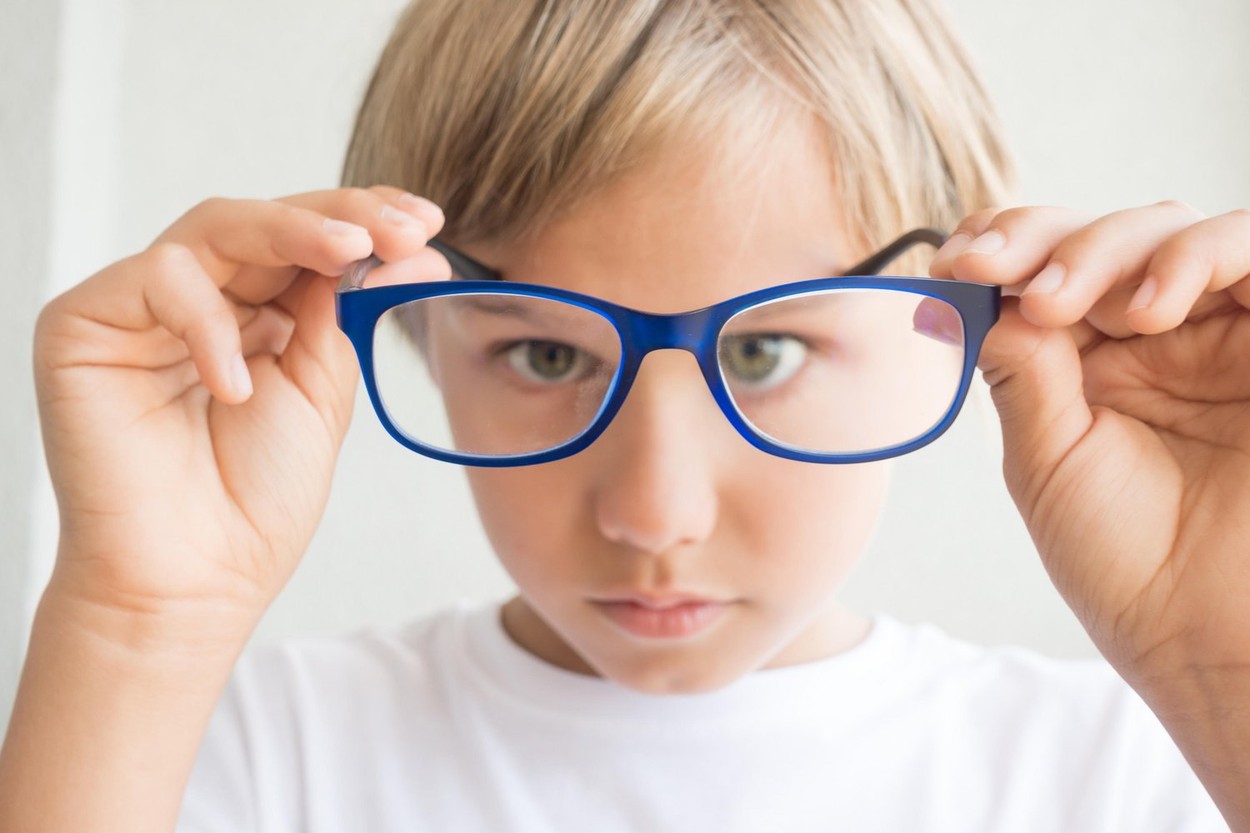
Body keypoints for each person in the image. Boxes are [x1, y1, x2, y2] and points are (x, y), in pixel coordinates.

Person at [1, 0, 1247, 829]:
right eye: (545, 350)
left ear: (959, 316)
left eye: (763, 348)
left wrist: (1225, 669)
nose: (652, 510)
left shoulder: (1130, 772)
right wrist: (134, 626)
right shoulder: (241, 756)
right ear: (409, 327)